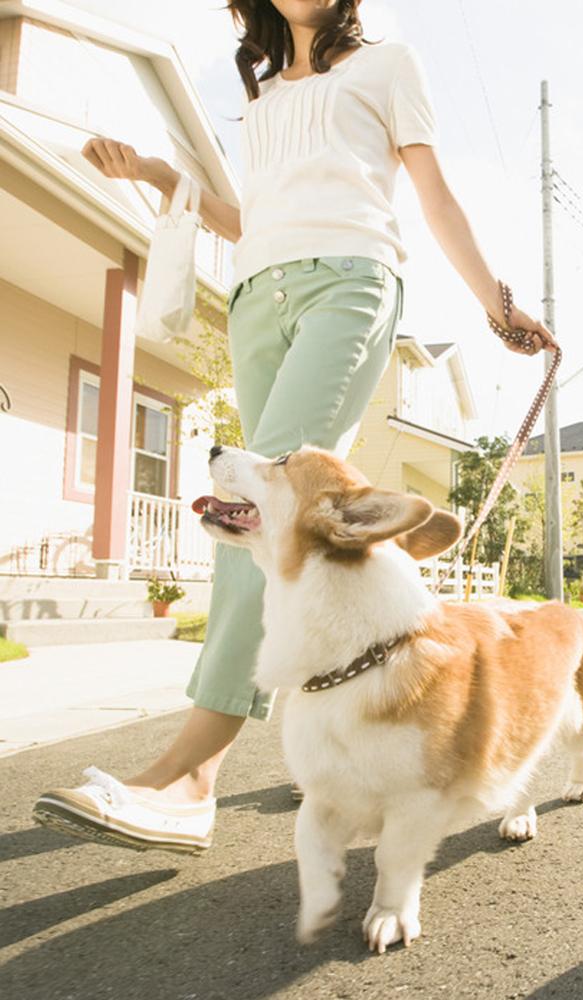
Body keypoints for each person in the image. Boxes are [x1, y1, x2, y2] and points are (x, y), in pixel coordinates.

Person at [33, 0, 555, 855]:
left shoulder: (390, 66)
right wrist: (163, 177)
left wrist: (495, 305)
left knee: (261, 513)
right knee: (270, 521)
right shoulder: (265, 98)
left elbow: (432, 194)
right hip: (255, 300)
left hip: (349, 284)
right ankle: (374, 706)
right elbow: (256, 222)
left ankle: (190, 777)